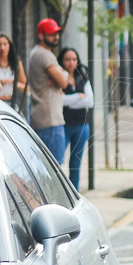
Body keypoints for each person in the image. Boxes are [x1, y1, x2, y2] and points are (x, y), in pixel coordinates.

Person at [28, 19, 70, 161]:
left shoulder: (35, 53)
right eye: (52, 34)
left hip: (40, 117)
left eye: (57, 34)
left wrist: (58, 75)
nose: (56, 37)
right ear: (41, 35)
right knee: (54, 169)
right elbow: (64, 82)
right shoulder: (45, 55)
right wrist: (62, 74)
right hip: (50, 119)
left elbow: (60, 79)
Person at [59, 47, 93, 191]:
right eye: (67, 59)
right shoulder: (59, 77)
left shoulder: (82, 76)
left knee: (76, 163)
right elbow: (59, 100)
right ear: (61, 61)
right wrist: (78, 97)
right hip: (63, 125)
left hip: (81, 125)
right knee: (58, 159)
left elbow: (89, 101)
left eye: (74, 59)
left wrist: (70, 101)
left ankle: (74, 192)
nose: (71, 63)